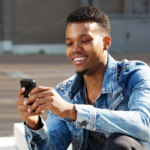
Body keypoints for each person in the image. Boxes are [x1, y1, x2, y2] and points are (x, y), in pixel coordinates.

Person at [16, 6, 150, 150]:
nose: (75, 49)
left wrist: (73, 111)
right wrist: (34, 123)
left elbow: (144, 125)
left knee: (119, 143)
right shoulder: (65, 92)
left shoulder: (133, 74)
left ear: (106, 43)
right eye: (69, 43)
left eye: (85, 40)